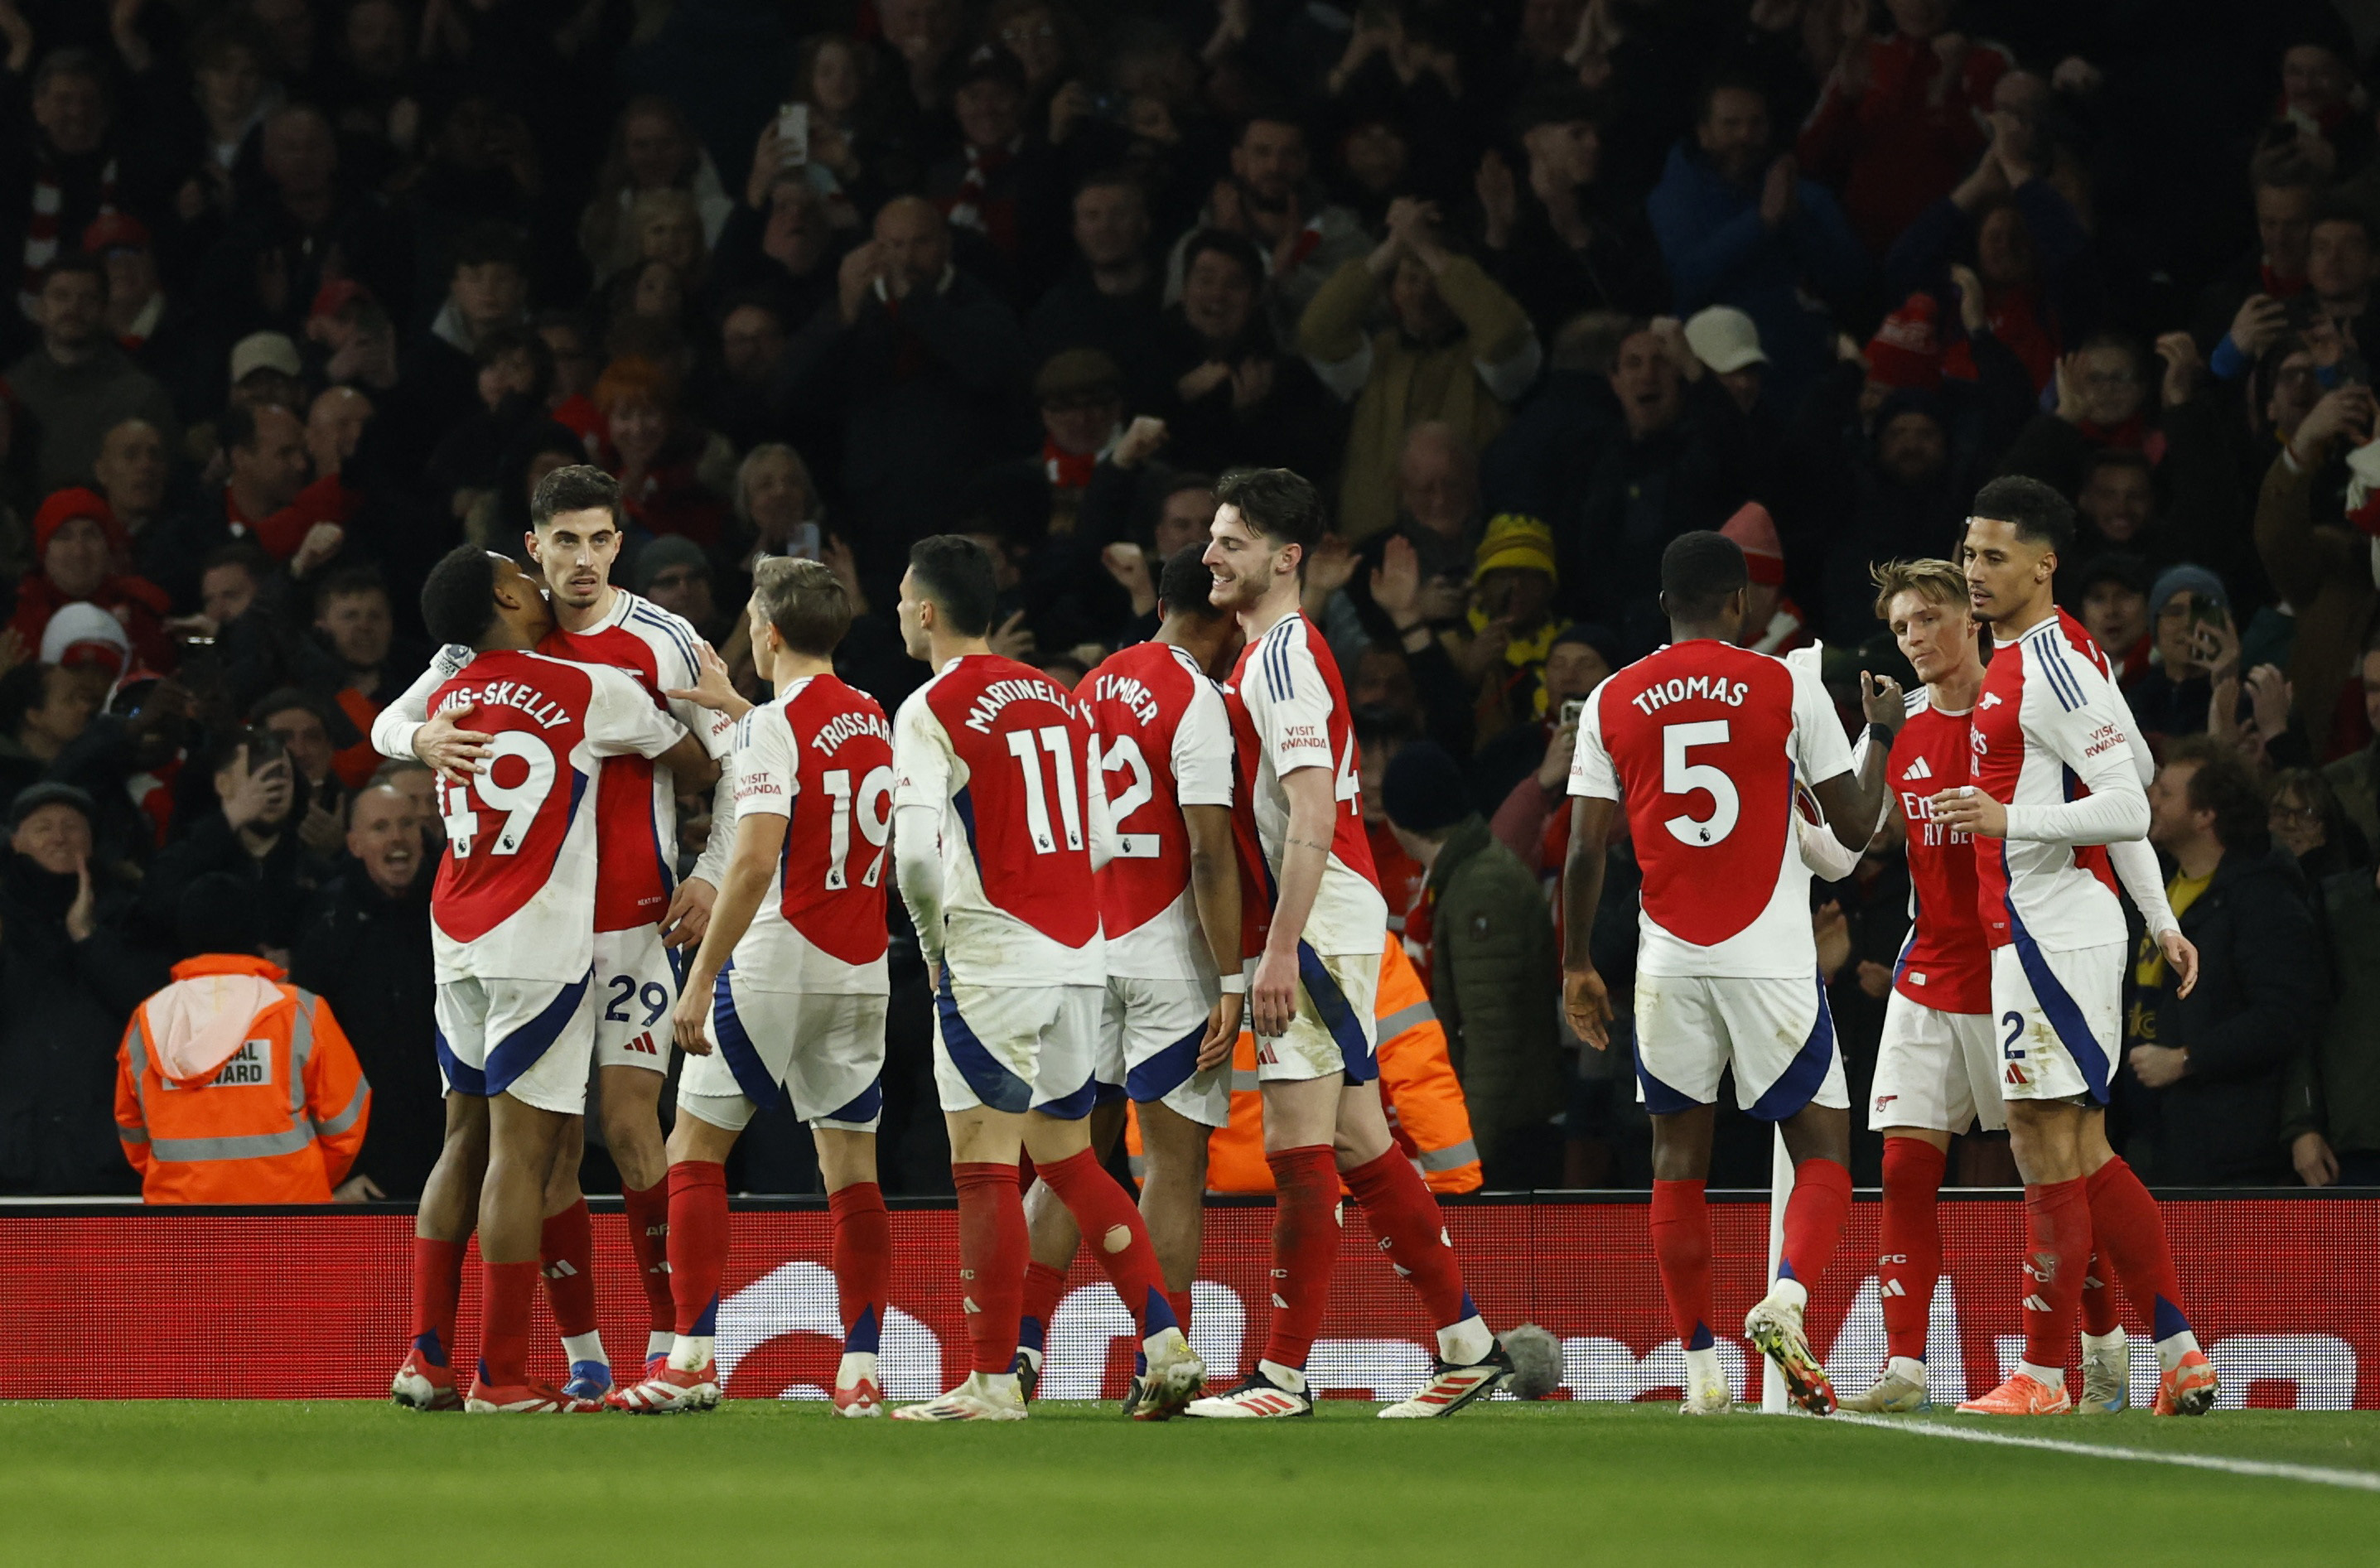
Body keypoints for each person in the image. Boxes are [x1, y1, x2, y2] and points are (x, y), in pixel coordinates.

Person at [376, 466, 739, 1402]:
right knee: (543, 1154)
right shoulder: (491, 662)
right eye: (562, 543)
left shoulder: (662, 636)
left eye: (601, 540)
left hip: (624, 923)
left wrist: (706, 875)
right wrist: (417, 742)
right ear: (530, 554)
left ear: (619, 543)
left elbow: (736, 764)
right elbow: (391, 721)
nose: (581, 561)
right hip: (543, 937)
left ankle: (670, 1345)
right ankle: (576, 1360)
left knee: (623, 1128)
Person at [1187, 467, 1510, 1420]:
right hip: (1320, 914)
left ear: (1283, 560)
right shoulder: (1265, 654)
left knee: (1296, 1145)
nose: (1210, 554)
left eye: (1231, 541)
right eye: (1211, 537)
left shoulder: (1284, 656)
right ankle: (1469, 1345)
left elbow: (1314, 809)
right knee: (1359, 1138)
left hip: (1316, 915)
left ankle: (1281, 1376)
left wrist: (1280, 948)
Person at [1559, 529, 1890, 1416]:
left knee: (1675, 1160)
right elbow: (1854, 827)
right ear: (1739, 603)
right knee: (1823, 1150)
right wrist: (1883, 736)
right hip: (1770, 956)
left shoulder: (1610, 698)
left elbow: (1585, 849)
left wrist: (1576, 964)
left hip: (1667, 957)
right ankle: (1784, 1298)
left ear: (1663, 605)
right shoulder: (1785, 683)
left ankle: (1701, 1373)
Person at [886, 533, 1202, 1421]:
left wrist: (932, 943)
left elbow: (914, 852)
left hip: (992, 954)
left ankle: (991, 1382)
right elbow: (1100, 838)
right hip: (1080, 955)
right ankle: (1165, 1339)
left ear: (924, 609)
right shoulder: (1061, 701)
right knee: (1068, 1158)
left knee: (982, 1167)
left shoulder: (928, 707)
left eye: (900, 599)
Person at [1929, 475, 2217, 1418]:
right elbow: (2120, 785)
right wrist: (2161, 921)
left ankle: (2043, 1377)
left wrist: (2008, 818)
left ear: (2043, 565)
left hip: (2053, 933)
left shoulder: (2054, 665)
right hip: (2044, 928)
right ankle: (2177, 1355)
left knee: (2043, 1145)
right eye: (1969, 553)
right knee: (2076, 1148)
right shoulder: (2025, 657)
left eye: (1993, 556)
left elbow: (2133, 802)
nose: (1974, 571)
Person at [616, 557, 896, 1416]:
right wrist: (734, 710)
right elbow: (798, 749)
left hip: (779, 961)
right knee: (850, 1169)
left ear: (767, 633)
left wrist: (699, 981)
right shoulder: (872, 716)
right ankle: (860, 1373)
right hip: (862, 969)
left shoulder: (777, 725)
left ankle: (691, 1360)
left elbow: (752, 858)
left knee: (693, 1149)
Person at [1015, 546, 1243, 1409]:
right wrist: (1228, 977)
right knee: (1172, 1167)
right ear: (1219, 613)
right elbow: (1211, 851)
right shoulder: (1199, 699)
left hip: (1083, 942)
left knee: (1072, 1158)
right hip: (1164, 951)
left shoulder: (1092, 685)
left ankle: (1025, 1349)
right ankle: (1163, 1362)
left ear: (1158, 601)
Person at [1834, 560, 1999, 1414]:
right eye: (1900, 628)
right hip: (1927, 972)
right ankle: (1904, 1366)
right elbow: (1866, 834)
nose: (1913, 640)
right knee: (1901, 1166)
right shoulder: (1907, 732)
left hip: (2016, 975)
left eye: (1927, 619)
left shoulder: (2019, 714)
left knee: (2057, 1170)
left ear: (1970, 619)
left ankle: (2100, 1344)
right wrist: (1874, 735)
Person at [2125, 741, 2323, 1185]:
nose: (2151, 798)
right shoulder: (2151, 891)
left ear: (2205, 815)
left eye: (2167, 793)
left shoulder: (2261, 896)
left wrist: (2187, 1059)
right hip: (2149, 1137)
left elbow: (2284, 1016)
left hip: (2226, 1149)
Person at [114, 874, 370, 1205]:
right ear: (255, 933)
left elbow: (133, 1132)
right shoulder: (299, 1011)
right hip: (291, 1218)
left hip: (179, 1224)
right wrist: (304, 1179)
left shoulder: (148, 1018)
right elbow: (347, 1122)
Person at [1299, 197, 1541, 540]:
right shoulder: (1376, 355)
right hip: (1375, 546)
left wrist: (1425, 248)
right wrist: (1395, 246)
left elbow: (1503, 335)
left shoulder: (1491, 358)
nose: (1423, 295)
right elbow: (1317, 331)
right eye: (1410, 280)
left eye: (1437, 281)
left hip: (1470, 541)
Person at [1380, 740, 1562, 1188]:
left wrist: (1466, 1160)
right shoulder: (1464, 875)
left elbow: (1491, 1038)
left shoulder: (1481, 887)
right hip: (1505, 1121)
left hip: (1507, 1134)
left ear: (1398, 818)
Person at [290, 782, 440, 1202]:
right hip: (365, 1169)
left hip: (454, 1154)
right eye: (380, 827)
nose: (396, 837)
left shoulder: (455, 910)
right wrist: (336, 1173)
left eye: (406, 824)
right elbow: (303, 1055)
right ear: (353, 844)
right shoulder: (327, 922)